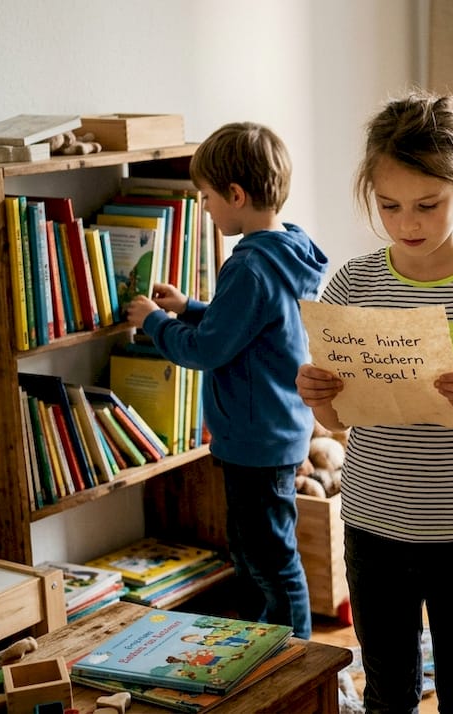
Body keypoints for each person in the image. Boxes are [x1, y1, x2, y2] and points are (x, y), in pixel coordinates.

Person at [295, 91, 453, 713]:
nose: (408, 223)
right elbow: (339, 419)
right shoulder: (353, 281)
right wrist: (320, 397)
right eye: (389, 206)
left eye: (427, 205)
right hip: (374, 524)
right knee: (389, 689)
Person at [124, 121, 326, 639]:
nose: (206, 208)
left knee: (269, 560)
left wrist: (153, 322)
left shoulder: (249, 267)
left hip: (255, 441)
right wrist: (190, 307)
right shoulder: (286, 250)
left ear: (235, 195)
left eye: (208, 197)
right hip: (274, 430)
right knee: (258, 551)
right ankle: (266, 643)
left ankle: (298, 658)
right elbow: (248, 325)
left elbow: (210, 348)